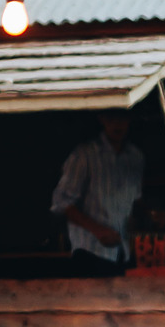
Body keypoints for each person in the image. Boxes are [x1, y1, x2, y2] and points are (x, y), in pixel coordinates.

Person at [51, 111, 144, 276]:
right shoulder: (85, 155)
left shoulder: (135, 157)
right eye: (111, 118)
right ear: (101, 119)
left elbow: (134, 203)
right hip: (89, 253)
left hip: (122, 253)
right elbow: (61, 202)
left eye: (122, 118)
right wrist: (98, 230)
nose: (117, 124)